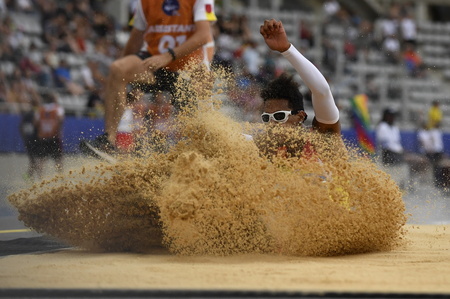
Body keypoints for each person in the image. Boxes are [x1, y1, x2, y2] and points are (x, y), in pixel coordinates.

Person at [80, 0, 217, 159]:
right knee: (118, 69)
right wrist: (123, 82)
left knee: (202, 128)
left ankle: (216, 152)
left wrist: (168, 56)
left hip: (186, 67)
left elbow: (204, 36)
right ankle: (108, 141)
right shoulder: (143, 2)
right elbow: (136, 39)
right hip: (155, 63)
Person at [257, 19, 341, 137]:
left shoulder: (322, 139)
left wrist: (286, 50)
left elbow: (322, 91)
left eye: (279, 116)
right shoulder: (260, 147)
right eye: (266, 118)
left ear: (300, 116)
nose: (272, 124)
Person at [35, 92, 65, 176]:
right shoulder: (58, 108)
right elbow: (60, 119)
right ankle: (61, 178)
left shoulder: (40, 109)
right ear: (54, 100)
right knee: (58, 159)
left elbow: (35, 122)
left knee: (42, 159)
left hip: (43, 136)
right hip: (54, 136)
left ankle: (40, 179)